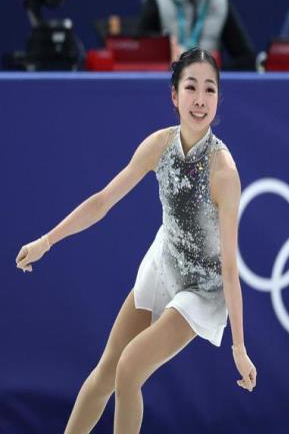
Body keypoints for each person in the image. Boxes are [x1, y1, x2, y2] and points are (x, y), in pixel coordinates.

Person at [15, 47, 257, 433]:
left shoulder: (224, 172)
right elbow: (102, 201)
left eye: (209, 89)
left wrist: (239, 348)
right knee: (107, 372)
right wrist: (47, 241)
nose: (200, 99)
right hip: (165, 264)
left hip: (203, 290)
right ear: (174, 95)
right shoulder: (158, 146)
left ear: (218, 98)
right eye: (191, 87)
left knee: (129, 369)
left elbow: (230, 267)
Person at [138, 0, 256, 70]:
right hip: (168, 83)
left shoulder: (219, 1)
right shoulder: (157, 0)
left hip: (207, 83)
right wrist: (165, 57)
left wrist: (213, 70)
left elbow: (247, 59)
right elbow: (139, 58)